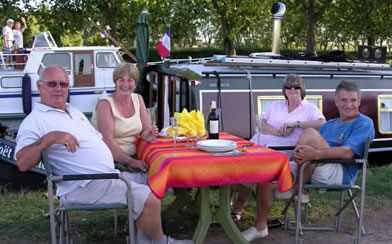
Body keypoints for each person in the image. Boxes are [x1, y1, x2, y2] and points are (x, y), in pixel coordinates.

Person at [15, 65, 192, 244]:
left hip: (108, 175)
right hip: (84, 185)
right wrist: (49, 138)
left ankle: (141, 237)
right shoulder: (35, 121)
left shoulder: (72, 111)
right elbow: (22, 163)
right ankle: (160, 241)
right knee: (148, 196)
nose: (59, 89)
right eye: (52, 84)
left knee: (155, 179)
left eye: (63, 84)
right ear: (39, 86)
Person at [242, 80, 375, 242]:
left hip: (339, 170)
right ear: (337, 102)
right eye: (344, 100)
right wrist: (306, 154)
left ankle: (298, 188)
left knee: (310, 133)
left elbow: (347, 153)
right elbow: (310, 152)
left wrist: (315, 154)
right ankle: (260, 227)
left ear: (359, 101)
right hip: (311, 166)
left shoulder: (364, 123)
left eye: (353, 100)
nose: (349, 105)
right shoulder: (329, 125)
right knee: (268, 174)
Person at [232, 74, 326, 221]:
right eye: (288, 87)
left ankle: (237, 208)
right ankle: (229, 206)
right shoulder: (276, 105)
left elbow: (321, 123)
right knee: (234, 165)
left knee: (249, 170)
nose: (292, 90)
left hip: (282, 151)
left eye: (296, 87)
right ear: (284, 90)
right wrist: (278, 132)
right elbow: (262, 125)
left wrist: (296, 124)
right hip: (258, 144)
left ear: (302, 90)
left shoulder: (309, 109)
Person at [91, 63, 158, 171]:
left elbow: (145, 130)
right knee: (152, 181)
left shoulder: (138, 99)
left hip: (132, 157)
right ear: (115, 82)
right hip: (110, 161)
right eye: (121, 80)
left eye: (130, 80)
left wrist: (149, 135)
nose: (125, 84)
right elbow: (108, 140)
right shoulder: (105, 103)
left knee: (160, 171)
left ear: (135, 83)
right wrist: (130, 161)